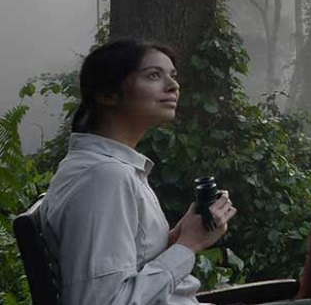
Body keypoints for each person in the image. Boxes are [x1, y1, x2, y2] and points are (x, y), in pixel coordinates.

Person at [41, 38, 237, 305]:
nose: (173, 86)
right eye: (154, 75)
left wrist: (177, 237)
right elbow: (101, 301)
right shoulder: (104, 178)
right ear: (107, 95)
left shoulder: (109, 169)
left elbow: (130, 267)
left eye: (173, 76)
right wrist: (188, 245)